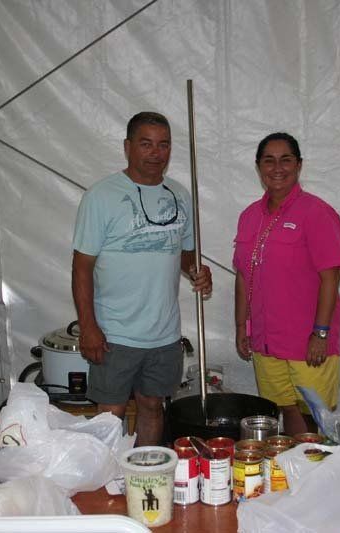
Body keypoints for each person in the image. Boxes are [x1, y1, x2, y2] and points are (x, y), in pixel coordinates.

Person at [71, 111, 212, 446]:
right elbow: (81, 267)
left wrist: (197, 270)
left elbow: (185, 252)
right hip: (115, 332)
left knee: (152, 406)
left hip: (164, 332)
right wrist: (88, 326)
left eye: (163, 145)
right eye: (146, 144)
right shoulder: (101, 196)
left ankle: (144, 474)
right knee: (110, 414)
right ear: (127, 147)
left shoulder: (179, 195)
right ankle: (105, 488)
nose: (155, 152)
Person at [233, 132, 340, 436]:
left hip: (308, 340)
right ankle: (299, 469)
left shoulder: (317, 213)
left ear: (298, 165)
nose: (277, 167)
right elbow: (243, 275)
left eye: (286, 159)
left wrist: (320, 334)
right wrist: (241, 326)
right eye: (268, 160)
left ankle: (316, 472)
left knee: (313, 415)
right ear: (258, 167)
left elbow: (330, 276)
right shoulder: (249, 217)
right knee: (285, 407)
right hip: (267, 340)